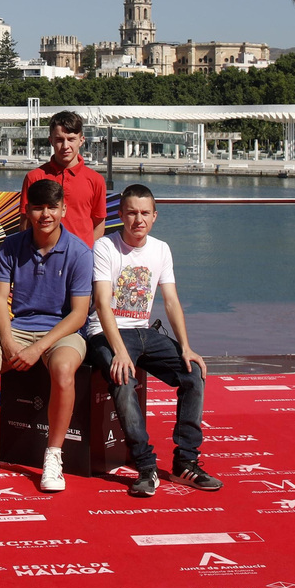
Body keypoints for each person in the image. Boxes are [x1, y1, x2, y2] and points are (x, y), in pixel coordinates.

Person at [0, 178, 91, 492]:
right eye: (38, 207)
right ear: (27, 211)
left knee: (64, 369)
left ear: (63, 209)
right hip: (17, 330)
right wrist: (10, 342)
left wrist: (39, 348)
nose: (45, 214)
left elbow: (78, 314)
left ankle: (54, 456)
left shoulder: (79, 252)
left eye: (52, 207)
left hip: (61, 333)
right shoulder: (11, 245)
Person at [85, 184, 221, 497]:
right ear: (120, 215)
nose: (138, 219)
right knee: (122, 377)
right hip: (106, 332)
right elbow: (103, 304)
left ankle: (185, 462)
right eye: (131, 212)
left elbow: (171, 301)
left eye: (145, 213)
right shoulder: (105, 247)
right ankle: (145, 465)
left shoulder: (161, 249)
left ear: (155, 216)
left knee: (193, 373)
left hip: (144, 331)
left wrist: (186, 346)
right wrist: (119, 352)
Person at [21, 110, 107, 245]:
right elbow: (26, 224)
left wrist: (82, 252)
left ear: (81, 140)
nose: (66, 146)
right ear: (51, 141)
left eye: (71, 139)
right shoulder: (34, 177)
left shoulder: (96, 180)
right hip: (42, 257)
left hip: (79, 260)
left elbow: (99, 227)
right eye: (60, 140)